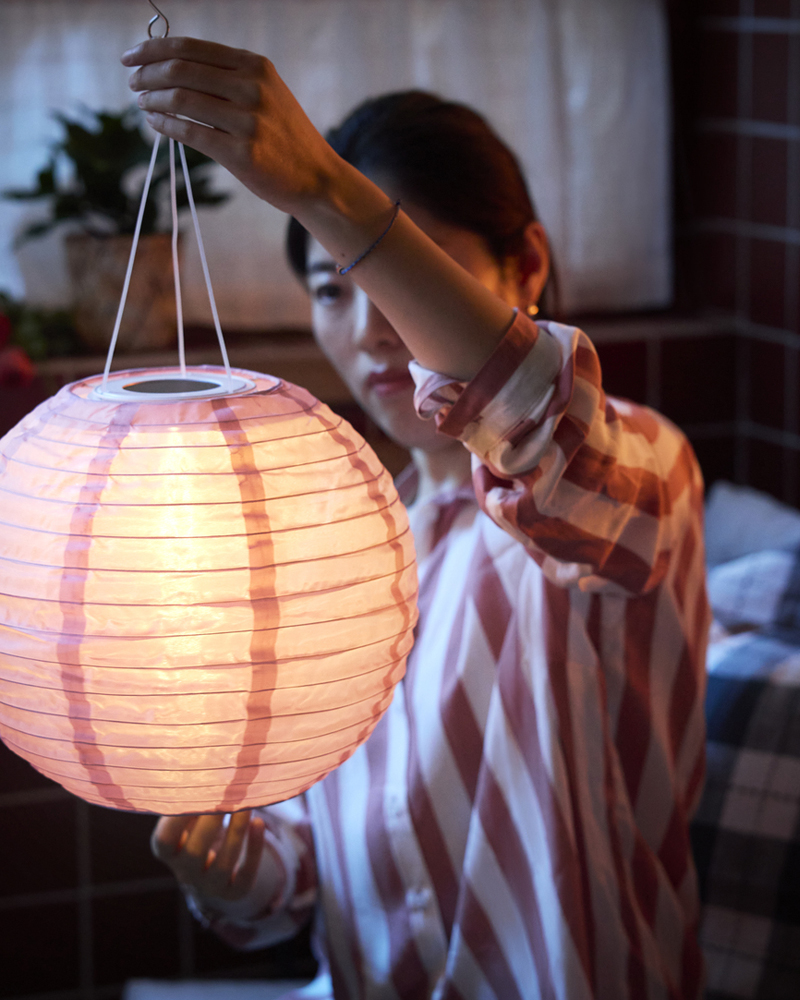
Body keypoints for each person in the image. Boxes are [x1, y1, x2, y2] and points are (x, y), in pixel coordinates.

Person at [122, 37, 710, 1000]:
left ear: (525, 264)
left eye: (397, 266)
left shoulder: (635, 475)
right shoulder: (333, 546)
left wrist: (326, 190)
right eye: (330, 289)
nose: (367, 328)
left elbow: (541, 427)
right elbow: (308, 872)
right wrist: (230, 870)